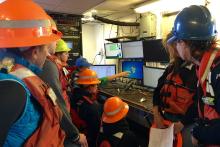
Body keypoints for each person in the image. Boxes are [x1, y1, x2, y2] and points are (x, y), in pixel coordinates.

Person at [0, 1, 87, 147]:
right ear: (34, 52)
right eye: (46, 48)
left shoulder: (11, 75)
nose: (48, 55)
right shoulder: (12, 89)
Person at [167, 5, 220, 146]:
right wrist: (183, 122)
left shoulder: (216, 72)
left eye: (178, 41)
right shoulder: (204, 67)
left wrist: (198, 134)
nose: (176, 47)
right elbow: (201, 102)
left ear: (186, 43)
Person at [39, 22, 88, 147]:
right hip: (58, 124)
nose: (56, 41)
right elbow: (56, 102)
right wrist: (74, 134)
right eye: (65, 53)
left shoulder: (54, 66)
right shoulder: (50, 66)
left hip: (60, 121)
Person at [152, 32, 198, 147]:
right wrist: (156, 114)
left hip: (187, 122)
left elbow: (200, 101)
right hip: (166, 119)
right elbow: (157, 90)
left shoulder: (198, 68)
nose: (171, 52)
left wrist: (182, 123)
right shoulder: (171, 68)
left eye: (172, 47)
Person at [70, 68, 103, 147]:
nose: (97, 87)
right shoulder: (92, 107)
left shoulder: (75, 95)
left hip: (80, 133)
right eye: (96, 84)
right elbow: (97, 131)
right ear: (90, 87)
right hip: (90, 141)